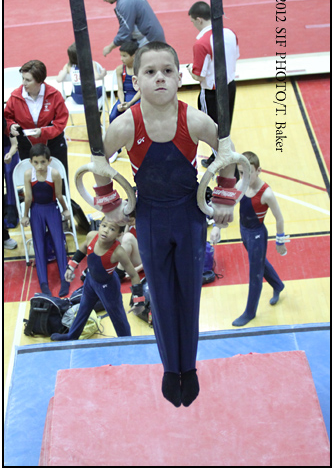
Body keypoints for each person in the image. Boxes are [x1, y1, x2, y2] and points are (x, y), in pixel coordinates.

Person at [94, 42, 239, 408]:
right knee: (159, 296)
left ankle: (187, 368)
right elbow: (99, 164)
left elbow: (229, 153)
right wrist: (111, 204)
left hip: (189, 217)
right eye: (150, 72)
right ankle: (168, 366)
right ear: (134, 79)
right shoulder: (125, 125)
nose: (159, 77)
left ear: (180, 77)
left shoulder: (195, 120)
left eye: (167, 71)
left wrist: (224, 196)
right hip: (150, 218)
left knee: (189, 294)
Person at [211, 151, 286, 327]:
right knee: (259, 263)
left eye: (249, 173)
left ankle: (250, 312)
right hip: (244, 233)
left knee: (255, 274)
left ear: (259, 170)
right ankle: (278, 285)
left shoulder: (266, 193)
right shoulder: (241, 185)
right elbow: (228, 206)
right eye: (242, 172)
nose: (245, 177)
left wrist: (280, 241)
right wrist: (217, 227)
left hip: (258, 235)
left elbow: (279, 218)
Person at [51, 218, 144, 341]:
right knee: (83, 309)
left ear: (119, 234)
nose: (105, 231)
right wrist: (71, 267)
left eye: (112, 229)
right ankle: (72, 335)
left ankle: (126, 342)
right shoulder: (91, 236)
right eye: (104, 225)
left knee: (118, 317)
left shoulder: (118, 252)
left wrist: (139, 301)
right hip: (90, 281)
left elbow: (134, 275)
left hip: (108, 288)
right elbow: (83, 249)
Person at [187, 1, 239, 168]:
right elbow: (235, 56)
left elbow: (198, 76)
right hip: (230, 86)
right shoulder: (230, 33)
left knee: (212, 131)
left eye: (193, 21)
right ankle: (218, 159)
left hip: (212, 93)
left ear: (199, 19)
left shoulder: (201, 43)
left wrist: (189, 68)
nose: (193, 25)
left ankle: (226, 167)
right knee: (225, 128)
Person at [4, 60, 69, 179]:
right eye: (23, 78)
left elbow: (61, 122)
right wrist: (10, 126)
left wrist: (43, 132)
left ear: (39, 81)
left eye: (28, 80)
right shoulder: (15, 97)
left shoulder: (54, 96)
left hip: (53, 145)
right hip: (27, 148)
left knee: (60, 182)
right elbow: (7, 118)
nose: (23, 83)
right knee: (33, 186)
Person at [21, 144, 70, 297]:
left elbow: (59, 195)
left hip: (52, 208)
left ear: (49, 161)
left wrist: (66, 209)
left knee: (58, 242)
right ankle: (43, 282)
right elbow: (28, 198)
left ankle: (65, 278)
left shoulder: (54, 174)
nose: (40, 166)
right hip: (36, 210)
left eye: (43, 162)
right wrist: (25, 215)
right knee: (39, 244)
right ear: (31, 162)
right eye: (36, 162)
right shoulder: (29, 175)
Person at [94, 0, 166, 57]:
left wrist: (110, 47)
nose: (104, 0)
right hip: (155, 34)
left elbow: (125, 32)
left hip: (148, 40)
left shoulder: (124, 3)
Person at [109, 41, 141, 163]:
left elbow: (142, 90)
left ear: (134, 55)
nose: (121, 59)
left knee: (135, 115)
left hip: (137, 97)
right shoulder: (119, 70)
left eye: (124, 56)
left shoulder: (141, 68)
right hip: (125, 97)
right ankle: (116, 149)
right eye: (121, 55)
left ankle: (137, 145)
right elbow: (120, 89)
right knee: (113, 115)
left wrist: (130, 104)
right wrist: (122, 103)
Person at [56, 42, 107, 106]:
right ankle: (98, 113)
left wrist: (62, 72)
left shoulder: (68, 66)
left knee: (74, 90)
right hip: (90, 97)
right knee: (102, 88)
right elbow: (96, 77)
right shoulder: (91, 64)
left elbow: (59, 79)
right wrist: (103, 74)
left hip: (76, 99)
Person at [4, 116, 19, 228]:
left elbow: (14, 144)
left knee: (9, 172)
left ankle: (12, 207)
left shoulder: (5, 120)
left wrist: (10, 154)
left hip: (8, 149)